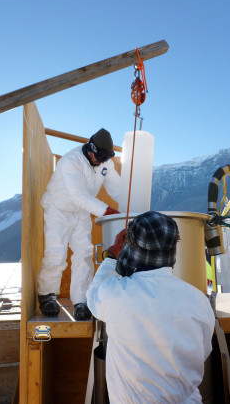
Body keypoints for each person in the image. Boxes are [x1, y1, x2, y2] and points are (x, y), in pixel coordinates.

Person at [87, 211, 215, 403]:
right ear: (173, 250)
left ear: (131, 249)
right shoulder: (198, 299)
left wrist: (112, 255)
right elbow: (203, 351)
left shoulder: (117, 294)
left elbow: (93, 295)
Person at [37, 128, 121, 321]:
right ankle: (47, 295)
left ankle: (81, 300)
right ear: (90, 150)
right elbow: (78, 195)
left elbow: (117, 188)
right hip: (58, 208)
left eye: (103, 159)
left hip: (81, 211)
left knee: (84, 252)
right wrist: (108, 212)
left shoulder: (104, 162)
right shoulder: (70, 161)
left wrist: (132, 206)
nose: (100, 162)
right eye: (98, 158)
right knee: (56, 252)